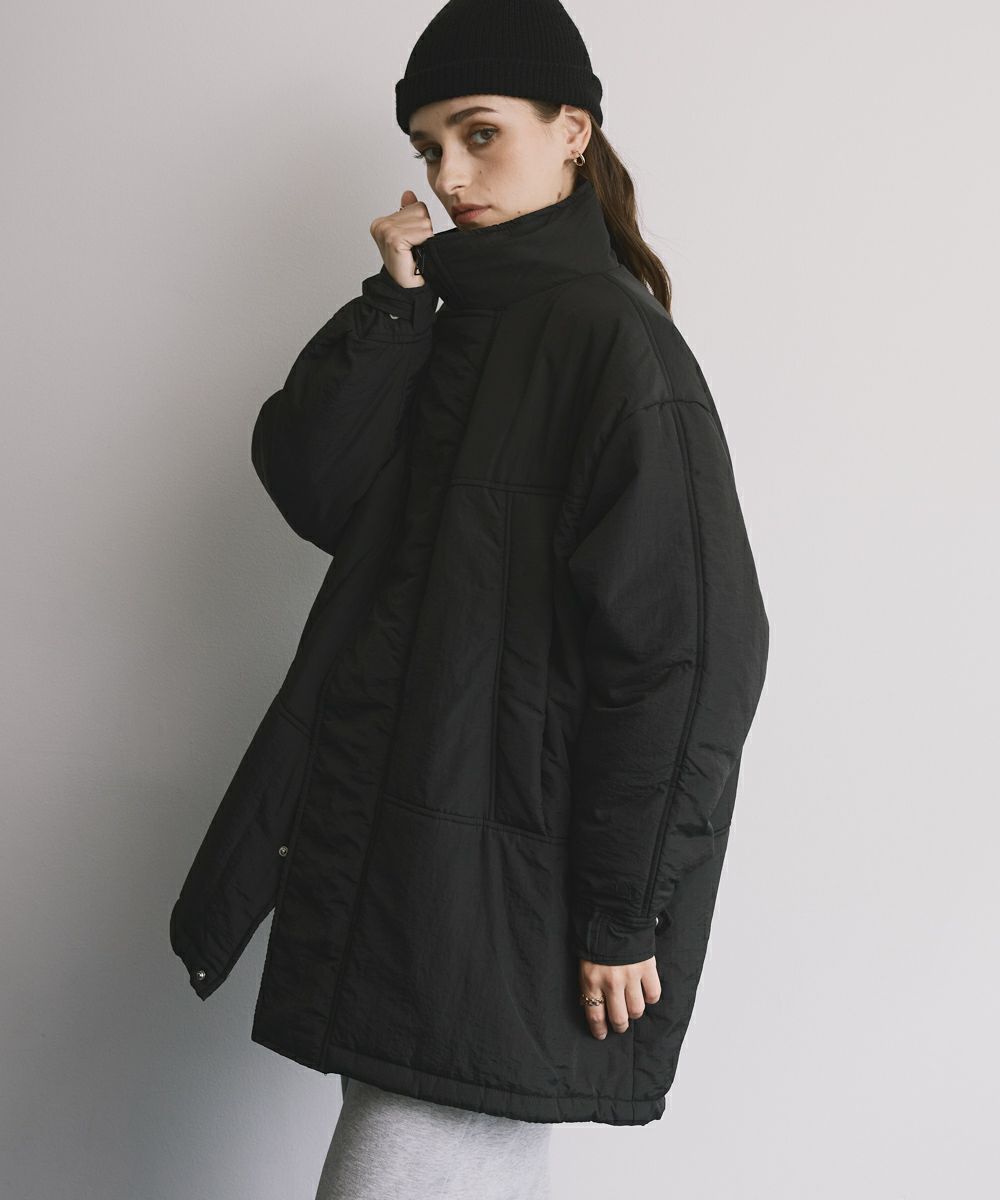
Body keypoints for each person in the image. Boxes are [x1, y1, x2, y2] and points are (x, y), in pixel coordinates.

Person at [169, 0, 770, 1194]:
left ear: (571, 132)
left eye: (479, 133)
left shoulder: (615, 349)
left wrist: (623, 911)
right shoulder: (454, 324)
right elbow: (317, 487)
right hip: (416, 862)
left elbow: (690, 658)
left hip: (506, 892)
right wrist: (393, 304)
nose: (448, 176)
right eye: (428, 146)